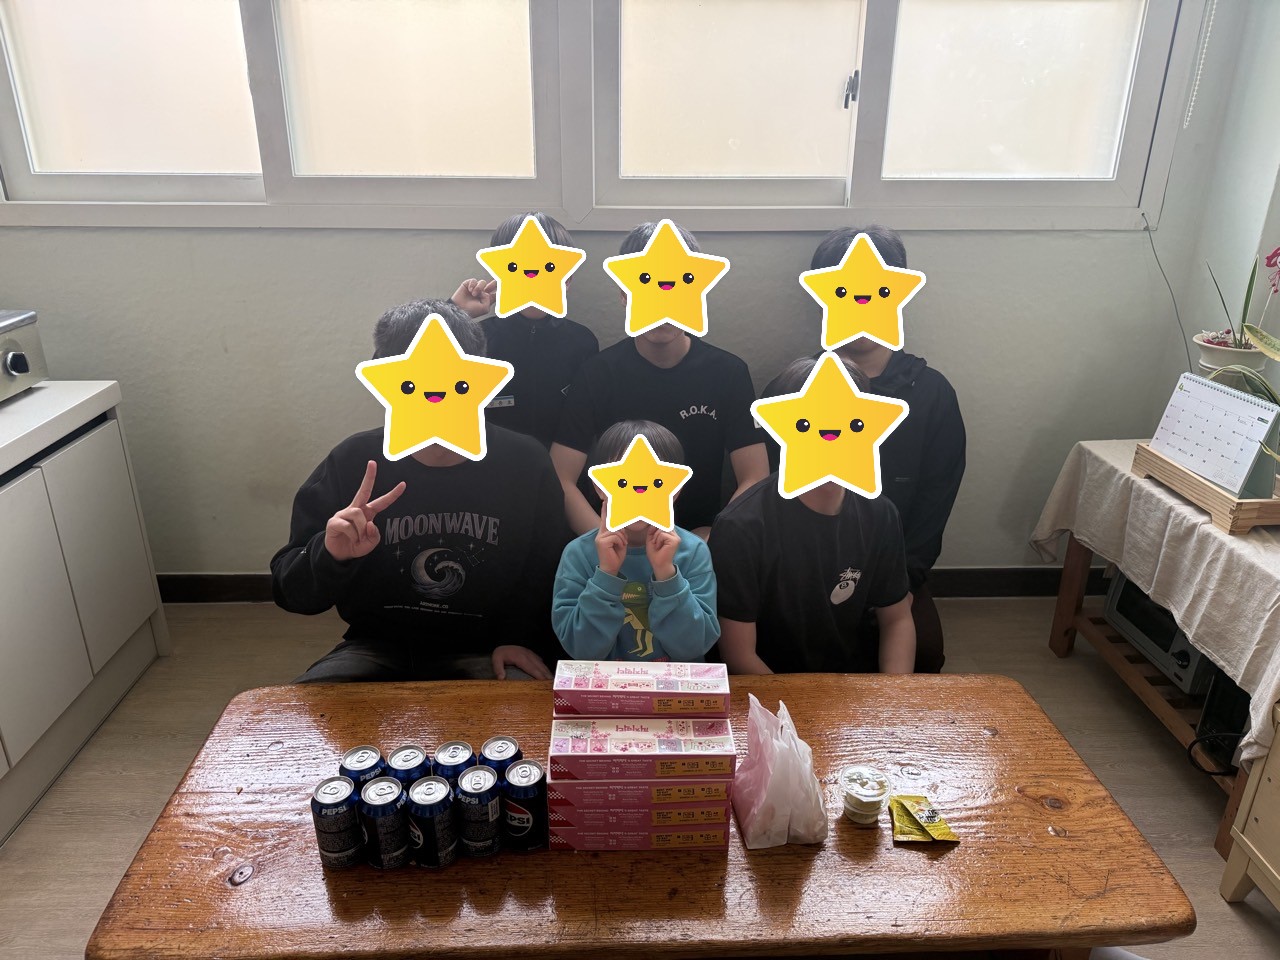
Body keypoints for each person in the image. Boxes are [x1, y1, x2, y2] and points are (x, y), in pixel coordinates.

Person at [271, 298, 571, 683]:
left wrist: (519, 637)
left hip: (488, 648)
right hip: (377, 645)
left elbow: (548, 570)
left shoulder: (526, 463)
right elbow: (290, 592)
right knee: (308, 709)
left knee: (528, 711)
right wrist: (329, 555)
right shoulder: (352, 460)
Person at [761, 225, 965, 672]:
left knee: (923, 654)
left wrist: (905, 581)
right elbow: (771, 490)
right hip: (801, 563)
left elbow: (936, 498)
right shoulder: (790, 391)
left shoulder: (932, 394)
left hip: (893, 568)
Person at [550, 221, 768, 540]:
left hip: (699, 538)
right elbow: (560, 477)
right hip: (613, 540)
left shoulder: (728, 372)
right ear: (624, 294)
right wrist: (603, 539)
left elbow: (755, 476)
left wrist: (714, 538)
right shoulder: (597, 373)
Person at [711, 355, 916, 675]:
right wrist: (794, 704)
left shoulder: (880, 514)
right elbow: (738, 654)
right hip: (770, 685)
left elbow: (897, 619)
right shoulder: (741, 526)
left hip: (849, 680)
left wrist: (892, 694)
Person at [552, 420, 720, 662]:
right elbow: (581, 649)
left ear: (676, 489)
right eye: (623, 482)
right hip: (605, 684)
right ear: (599, 487)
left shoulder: (693, 552)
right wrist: (606, 574)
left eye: (656, 482)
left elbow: (695, 646)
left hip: (675, 684)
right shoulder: (578, 554)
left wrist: (667, 574)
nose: (639, 489)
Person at [450, 211, 599, 447]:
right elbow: (398, 366)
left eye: (549, 267)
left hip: (559, 464)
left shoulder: (582, 342)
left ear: (568, 278)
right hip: (491, 462)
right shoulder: (475, 339)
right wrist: (454, 313)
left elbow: (582, 426)